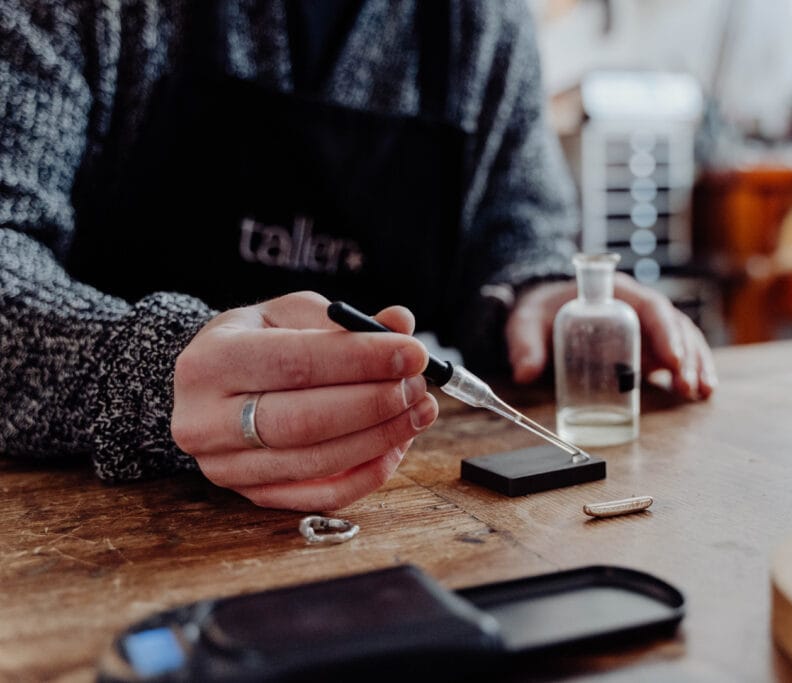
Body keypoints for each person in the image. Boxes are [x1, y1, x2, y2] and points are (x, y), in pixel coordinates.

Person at [0, 0, 716, 511]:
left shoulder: (483, 21)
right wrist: (155, 372)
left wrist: (538, 293)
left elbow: (516, 225)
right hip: (107, 534)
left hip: (395, 524)